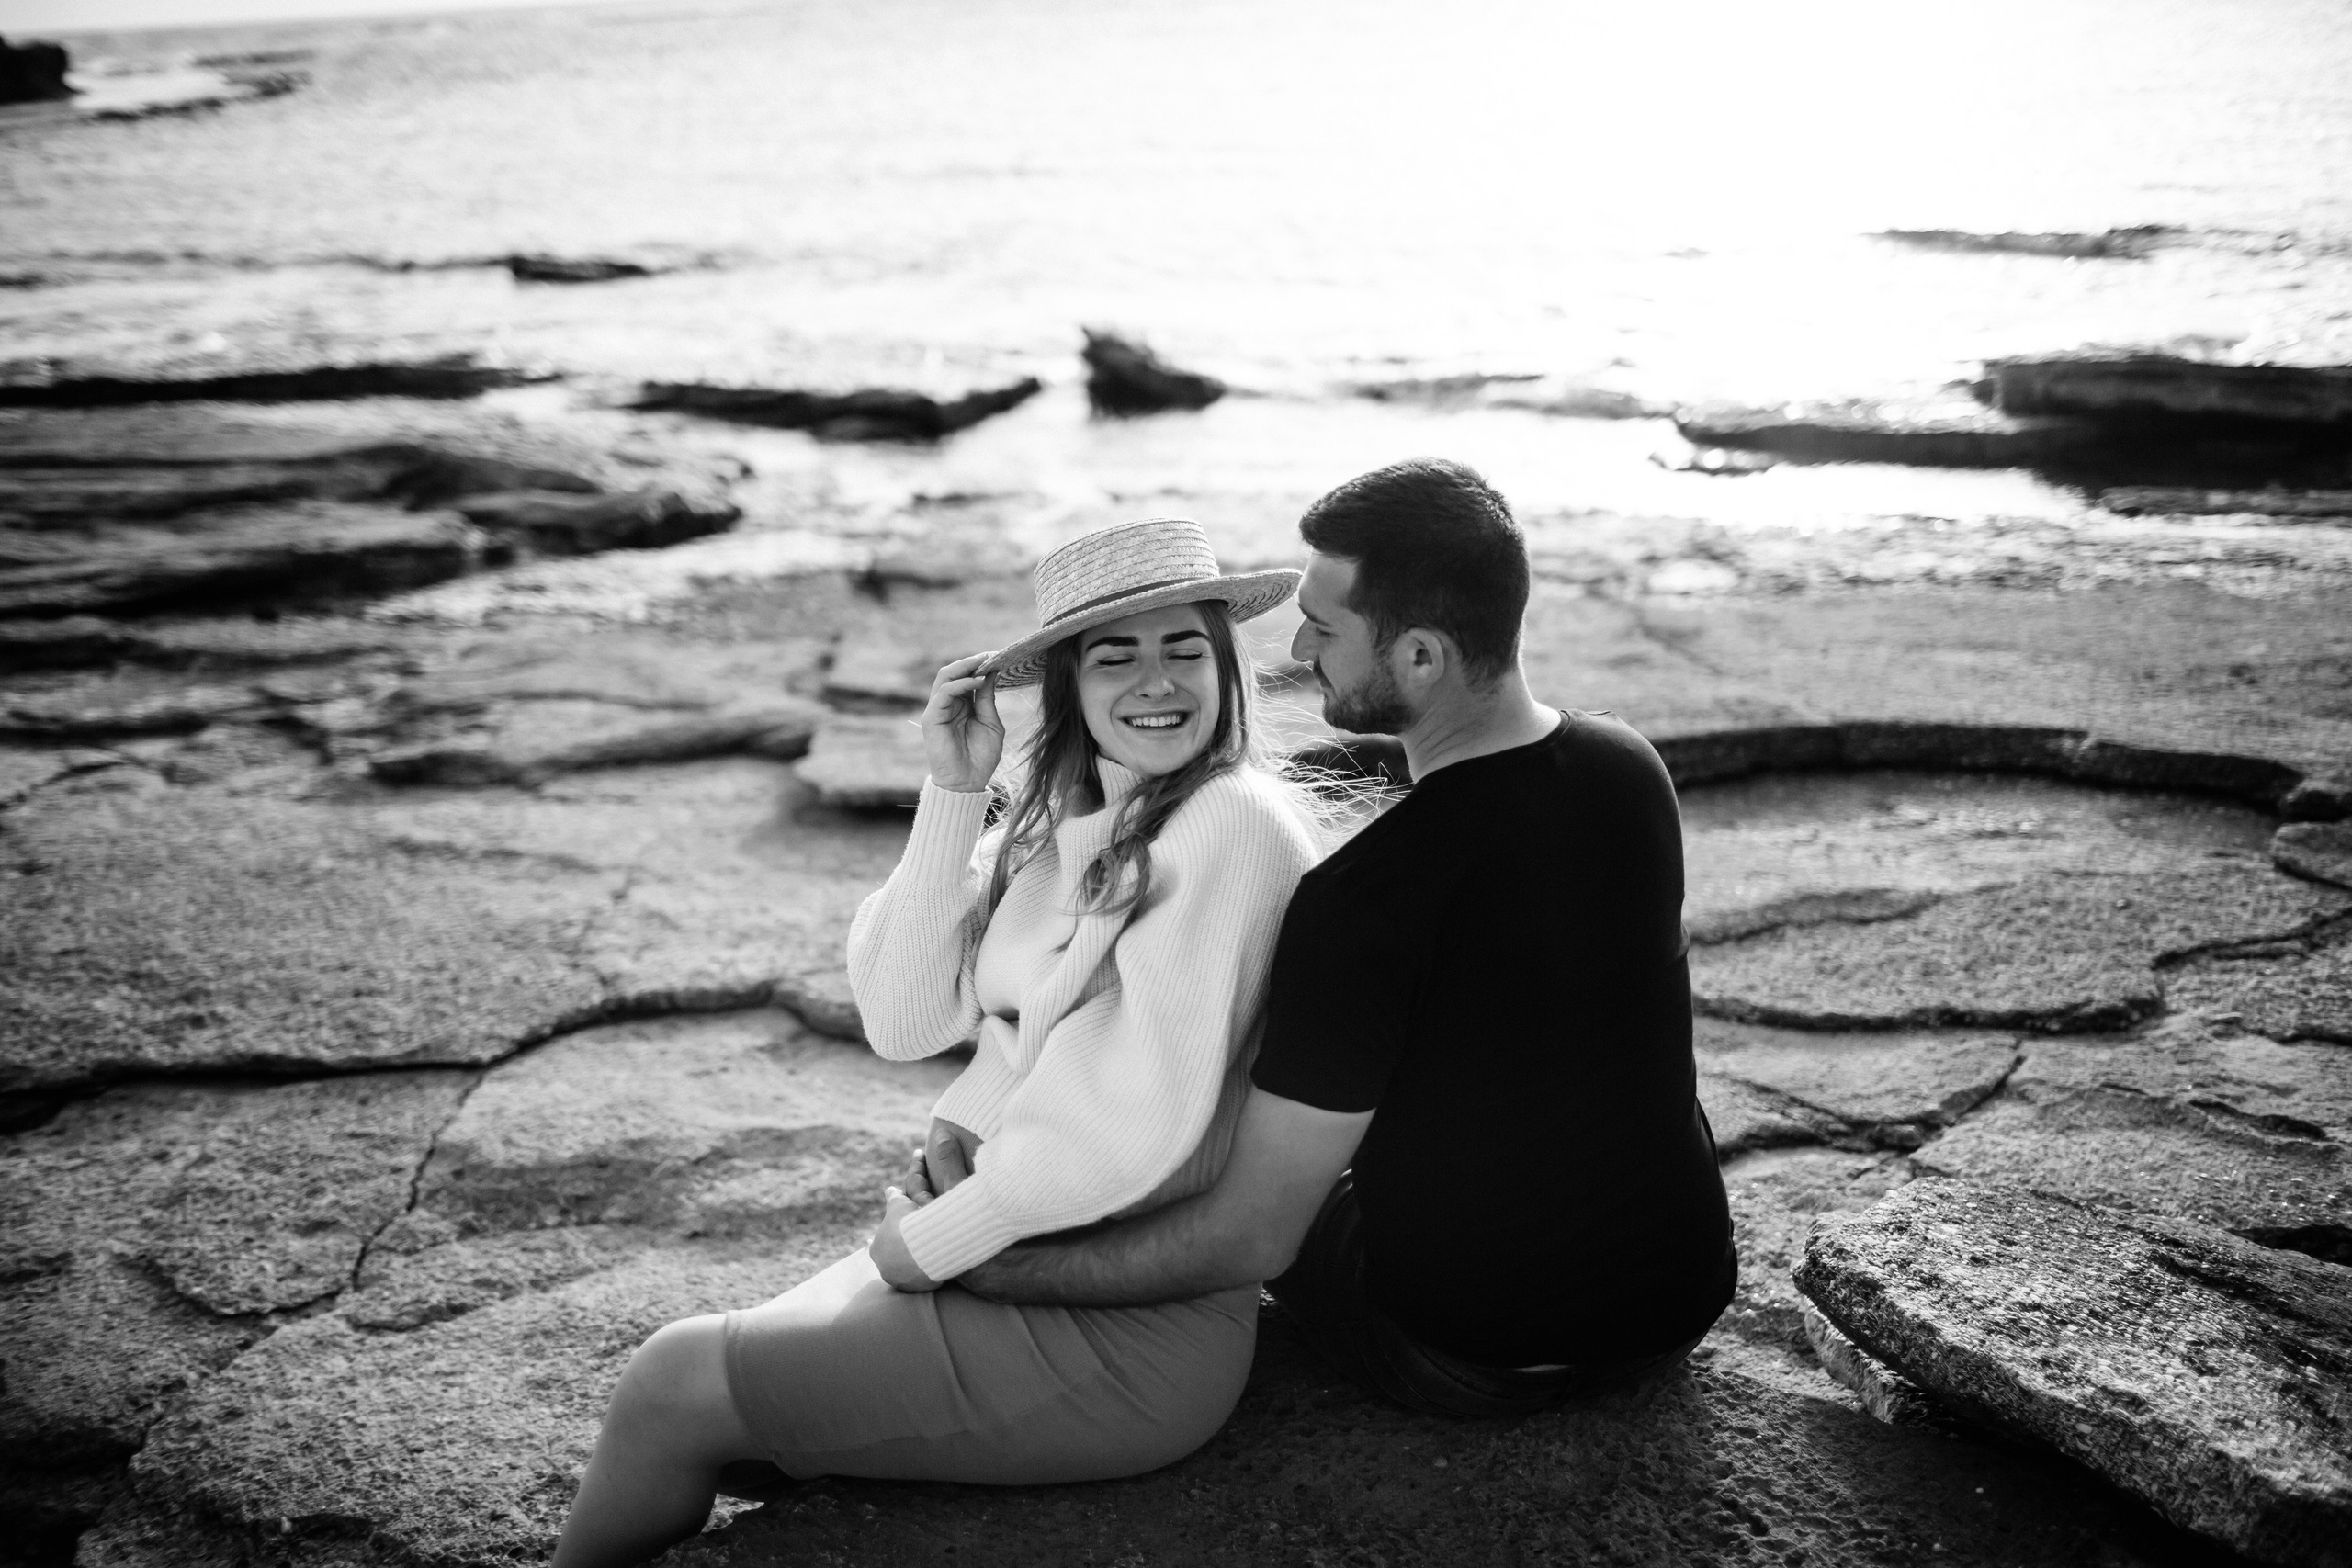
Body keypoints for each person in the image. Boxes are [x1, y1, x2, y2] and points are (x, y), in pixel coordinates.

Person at [552, 517, 1324, 1568]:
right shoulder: (1065, 826)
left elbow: (1130, 1120)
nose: (1158, 681)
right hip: (1017, 1245)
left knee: (670, 1384)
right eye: (1115, 656)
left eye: (1184, 649)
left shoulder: (1231, 824)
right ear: (1067, 687)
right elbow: (905, 1018)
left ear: (1225, 671)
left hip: (1121, 1318)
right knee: (711, 1430)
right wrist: (955, 793)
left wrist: (932, 1243)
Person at [947, 457, 1736, 1416]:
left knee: (1207, 1128)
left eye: (1324, 629)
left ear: (1420, 658)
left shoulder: (1362, 900)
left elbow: (1249, 1238)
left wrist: (1003, 1267)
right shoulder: (1627, 767)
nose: (1295, 650)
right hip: (1678, 1299)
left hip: (1469, 1352)